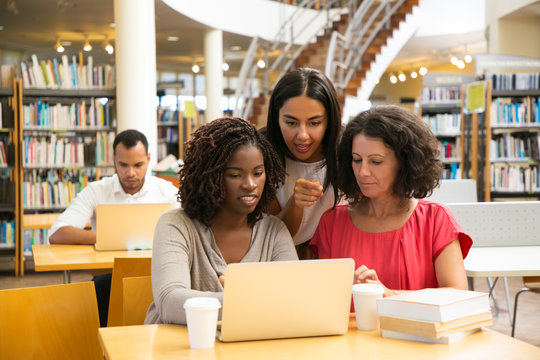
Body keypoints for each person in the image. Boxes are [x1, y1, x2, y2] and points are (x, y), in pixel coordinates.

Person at [145, 117, 298, 325]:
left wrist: (243, 302)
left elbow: (294, 298)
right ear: (210, 176)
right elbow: (169, 303)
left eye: (258, 173)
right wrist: (247, 302)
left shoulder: (274, 230)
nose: (250, 184)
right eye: (235, 175)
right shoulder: (176, 225)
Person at [310, 105, 472, 297]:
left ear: (405, 162)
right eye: (356, 159)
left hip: (414, 328)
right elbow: (321, 297)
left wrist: (389, 295)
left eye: (376, 161)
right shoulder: (332, 223)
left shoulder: (435, 220)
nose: (362, 172)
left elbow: (458, 294)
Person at [49, 129, 179, 326]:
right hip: (108, 281)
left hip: (157, 278)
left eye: (138, 165)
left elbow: (194, 225)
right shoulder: (97, 190)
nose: (130, 173)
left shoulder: (166, 191)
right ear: (114, 160)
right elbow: (58, 234)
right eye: (123, 165)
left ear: (149, 159)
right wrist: (108, 236)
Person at [266, 67, 342, 258]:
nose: (302, 136)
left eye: (314, 123)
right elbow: (268, 237)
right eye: (291, 123)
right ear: (276, 119)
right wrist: (295, 204)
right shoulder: (262, 153)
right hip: (283, 262)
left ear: (330, 121)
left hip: (341, 261)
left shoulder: (349, 152)